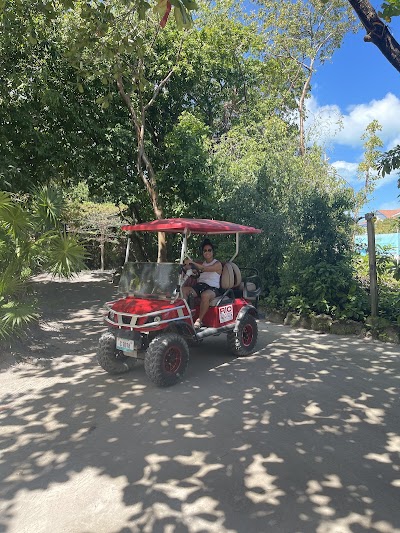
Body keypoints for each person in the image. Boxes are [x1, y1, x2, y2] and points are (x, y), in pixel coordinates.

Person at [182, 239, 223, 328]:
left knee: (205, 295)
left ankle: (199, 320)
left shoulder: (217, 264)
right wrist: (186, 266)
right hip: (200, 287)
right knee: (183, 290)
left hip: (212, 289)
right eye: (205, 250)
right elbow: (198, 270)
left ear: (212, 252)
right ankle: (185, 317)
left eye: (209, 250)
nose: (207, 252)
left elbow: (205, 269)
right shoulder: (202, 263)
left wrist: (192, 262)